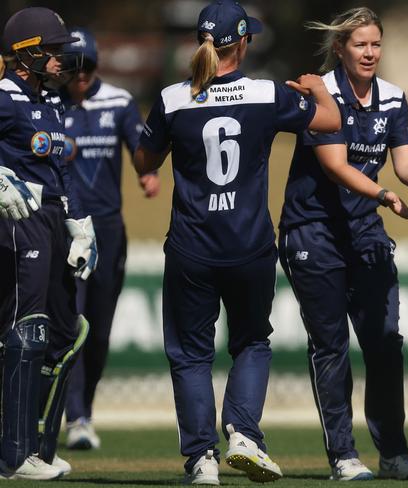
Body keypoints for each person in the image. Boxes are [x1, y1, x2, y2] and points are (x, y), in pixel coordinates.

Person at [134, 0, 341, 484]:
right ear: (243, 42)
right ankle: (243, 433)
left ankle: (201, 459)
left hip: (191, 246)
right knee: (250, 342)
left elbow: (145, 162)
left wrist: (161, 153)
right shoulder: (266, 93)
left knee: (190, 354)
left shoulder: (171, 99)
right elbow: (329, 123)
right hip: (249, 246)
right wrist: (317, 91)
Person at [278, 7, 408, 482]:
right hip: (314, 232)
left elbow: (405, 162)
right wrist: (386, 195)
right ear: (341, 48)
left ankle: (393, 453)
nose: (370, 53)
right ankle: (343, 455)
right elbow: (336, 165)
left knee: (385, 344)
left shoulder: (391, 98)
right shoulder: (319, 94)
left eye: (376, 44)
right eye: (360, 44)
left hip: (365, 233)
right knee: (331, 346)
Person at [0, 7, 97, 480]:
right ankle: (15, 455)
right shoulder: (3, 96)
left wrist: (80, 220)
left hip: (55, 219)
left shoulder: (53, 102)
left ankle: (40, 444)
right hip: (19, 220)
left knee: (67, 333)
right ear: (28, 53)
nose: (62, 60)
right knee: (27, 326)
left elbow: (62, 169)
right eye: (54, 51)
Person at [59, 27, 160, 451]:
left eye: (89, 66)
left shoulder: (118, 102)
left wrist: (147, 173)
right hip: (62, 227)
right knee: (70, 324)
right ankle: (74, 417)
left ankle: (86, 408)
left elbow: (139, 148)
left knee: (98, 331)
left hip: (108, 230)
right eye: (73, 67)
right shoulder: (47, 103)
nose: (81, 75)